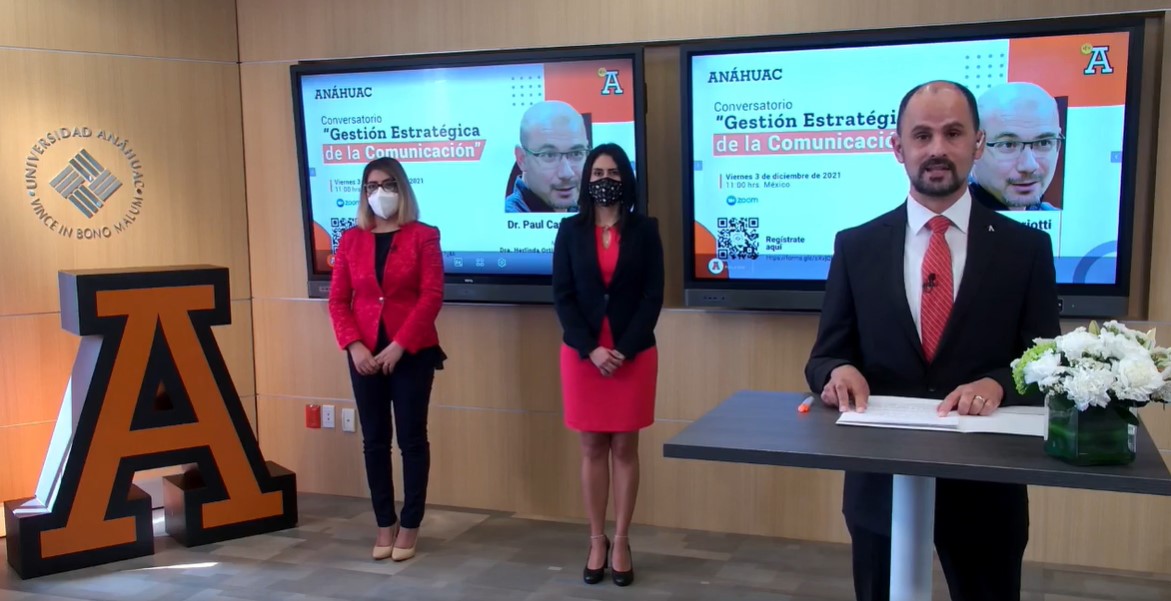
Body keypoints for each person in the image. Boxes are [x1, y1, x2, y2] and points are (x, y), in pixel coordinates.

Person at [804, 81, 1061, 601]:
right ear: (898, 148)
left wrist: (997, 384)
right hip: (882, 485)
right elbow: (825, 356)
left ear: (978, 143)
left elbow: (1047, 364)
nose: (937, 149)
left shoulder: (1027, 250)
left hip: (986, 491)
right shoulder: (856, 246)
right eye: (922, 135)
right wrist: (836, 372)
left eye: (953, 133)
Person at [552, 143, 663, 587]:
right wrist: (591, 349)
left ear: (625, 179)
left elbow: (653, 296)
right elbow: (563, 296)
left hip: (631, 355)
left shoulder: (646, 230)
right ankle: (596, 539)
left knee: (624, 449)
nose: (604, 181)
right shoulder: (569, 230)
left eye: (613, 173)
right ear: (587, 180)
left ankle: (621, 541)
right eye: (597, 173)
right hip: (584, 356)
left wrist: (624, 348)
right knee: (592, 448)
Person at [328, 157, 446, 562]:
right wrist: (354, 346)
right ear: (364, 193)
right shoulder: (350, 240)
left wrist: (399, 345)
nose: (380, 192)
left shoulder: (424, 236)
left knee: (411, 439)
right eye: (372, 185)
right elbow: (338, 301)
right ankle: (384, 523)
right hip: (363, 355)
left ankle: (410, 524)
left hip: (411, 352)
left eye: (388, 184)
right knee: (374, 441)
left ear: (402, 188)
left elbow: (431, 296)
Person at [970, 82, 1063, 211]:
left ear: (1058, 146)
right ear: (974, 148)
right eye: (1008, 145)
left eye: (1044, 143)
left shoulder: (1059, 217)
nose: (1029, 166)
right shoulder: (948, 217)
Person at [506, 100, 590, 213]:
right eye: (549, 155)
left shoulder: (584, 210)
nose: (567, 173)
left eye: (576, 153)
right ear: (522, 159)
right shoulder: (508, 217)